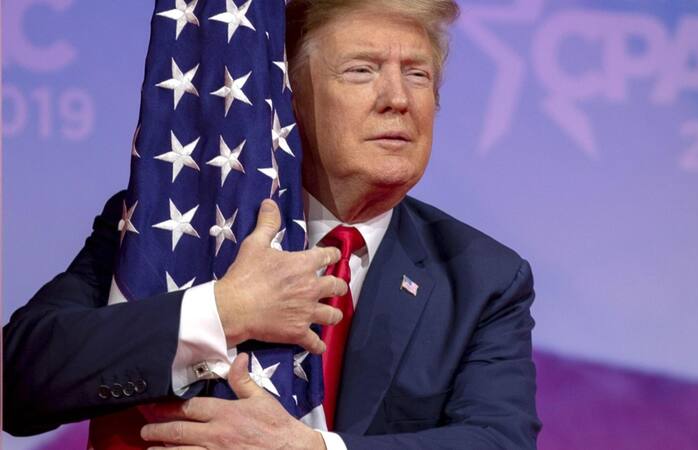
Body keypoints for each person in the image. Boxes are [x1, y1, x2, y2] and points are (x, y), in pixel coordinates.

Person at [3, 0, 541, 448]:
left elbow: (499, 440)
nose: (398, 99)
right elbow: (18, 380)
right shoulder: (165, 223)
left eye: (417, 75)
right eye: (362, 70)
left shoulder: (483, 279)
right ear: (289, 99)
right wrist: (221, 311)